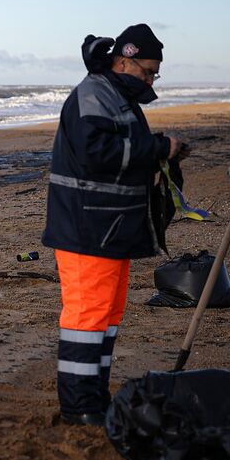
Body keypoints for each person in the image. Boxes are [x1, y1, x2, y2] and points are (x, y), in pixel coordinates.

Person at [42, 24, 187, 426]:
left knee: (106, 313)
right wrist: (159, 147)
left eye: (155, 74)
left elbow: (115, 148)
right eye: (147, 72)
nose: (151, 80)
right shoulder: (94, 94)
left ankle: (94, 395)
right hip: (88, 227)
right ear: (124, 60)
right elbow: (96, 152)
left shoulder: (112, 94)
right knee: (87, 316)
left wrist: (158, 153)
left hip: (108, 227)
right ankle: (79, 406)